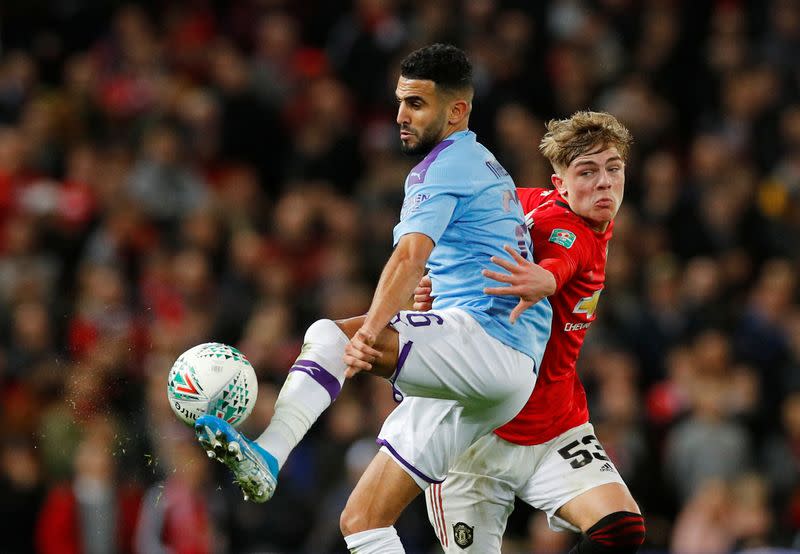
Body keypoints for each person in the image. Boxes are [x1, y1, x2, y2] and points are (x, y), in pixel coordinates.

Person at [192, 43, 554, 553]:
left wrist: (368, 333)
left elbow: (409, 258)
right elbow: (466, 262)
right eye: (400, 102)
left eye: (417, 104)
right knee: (362, 521)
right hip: (497, 371)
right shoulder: (482, 164)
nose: (401, 116)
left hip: (490, 346)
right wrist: (432, 301)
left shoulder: (445, 165)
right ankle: (268, 460)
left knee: (329, 335)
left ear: (457, 111)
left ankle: (270, 455)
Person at [415, 111, 646, 553]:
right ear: (559, 184)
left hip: (555, 426)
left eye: (613, 168)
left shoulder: (526, 201)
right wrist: (546, 278)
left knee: (620, 529)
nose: (604, 182)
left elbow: (466, 216)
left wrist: (437, 281)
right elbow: (563, 253)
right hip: (476, 439)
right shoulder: (566, 227)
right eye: (587, 171)